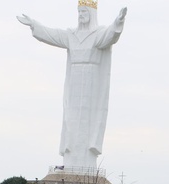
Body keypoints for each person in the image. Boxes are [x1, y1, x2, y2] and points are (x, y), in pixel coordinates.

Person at [17, 2, 127, 171]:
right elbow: (52, 35)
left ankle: (87, 163)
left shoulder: (97, 34)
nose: (81, 15)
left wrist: (118, 21)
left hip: (91, 84)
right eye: (79, 12)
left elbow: (110, 35)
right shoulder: (71, 35)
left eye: (84, 11)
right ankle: (70, 161)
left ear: (91, 13)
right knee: (71, 120)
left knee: (88, 122)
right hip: (74, 83)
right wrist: (34, 24)